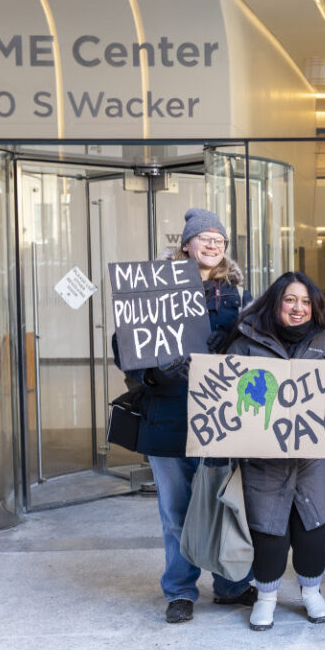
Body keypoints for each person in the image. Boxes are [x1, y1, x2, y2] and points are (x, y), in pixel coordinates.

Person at [111, 208, 254, 624]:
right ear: (186, 244)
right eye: (204, 237)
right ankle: (180, 590)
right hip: (167, 414)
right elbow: (124, 344)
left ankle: (229, 584)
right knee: (175, 511)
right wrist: (153, 372)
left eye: (219, 239)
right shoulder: (153, 287)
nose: (213, 244)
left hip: (220, 415)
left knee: (222, 503)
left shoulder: (238, 293)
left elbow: (259, 344)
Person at [224, 271, 325, 631]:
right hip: (264, 461)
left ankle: (311, 593)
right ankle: (266, 598)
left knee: (312, 529)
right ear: (276, 303)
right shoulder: (248, 339)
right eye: (289, 300)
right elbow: (227, 393)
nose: (297, 308)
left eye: (304, 302)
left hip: (313, 459)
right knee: (269, 534)